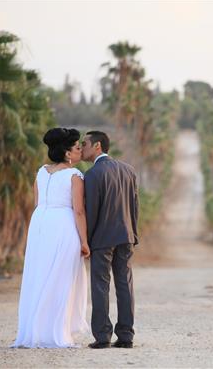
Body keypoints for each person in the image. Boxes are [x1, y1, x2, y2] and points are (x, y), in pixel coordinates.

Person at [12, 127, 90, 348]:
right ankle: (57, 332)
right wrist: (84, 241)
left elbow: (38, 202)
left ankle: (35, 330)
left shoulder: (41, 171)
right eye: (77, 148)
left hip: (40, 224)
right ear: (67, 153)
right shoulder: (75, 176)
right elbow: (79, 211)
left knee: (40, 274)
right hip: (62, 224)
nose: (80, 152)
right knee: (61, 276)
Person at [81, 131, 139, 349]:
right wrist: (134, 234)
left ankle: (103, 336)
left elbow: (91, 211)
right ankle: (126, 336)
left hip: (102, 239)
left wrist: (86, 241)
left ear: (97, 146)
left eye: (84, 143)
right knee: (125, 285)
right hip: (126, 236)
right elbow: (135, 206)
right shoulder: (128, 170)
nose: (81, 147)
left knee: (100, 286)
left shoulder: (93, 174)